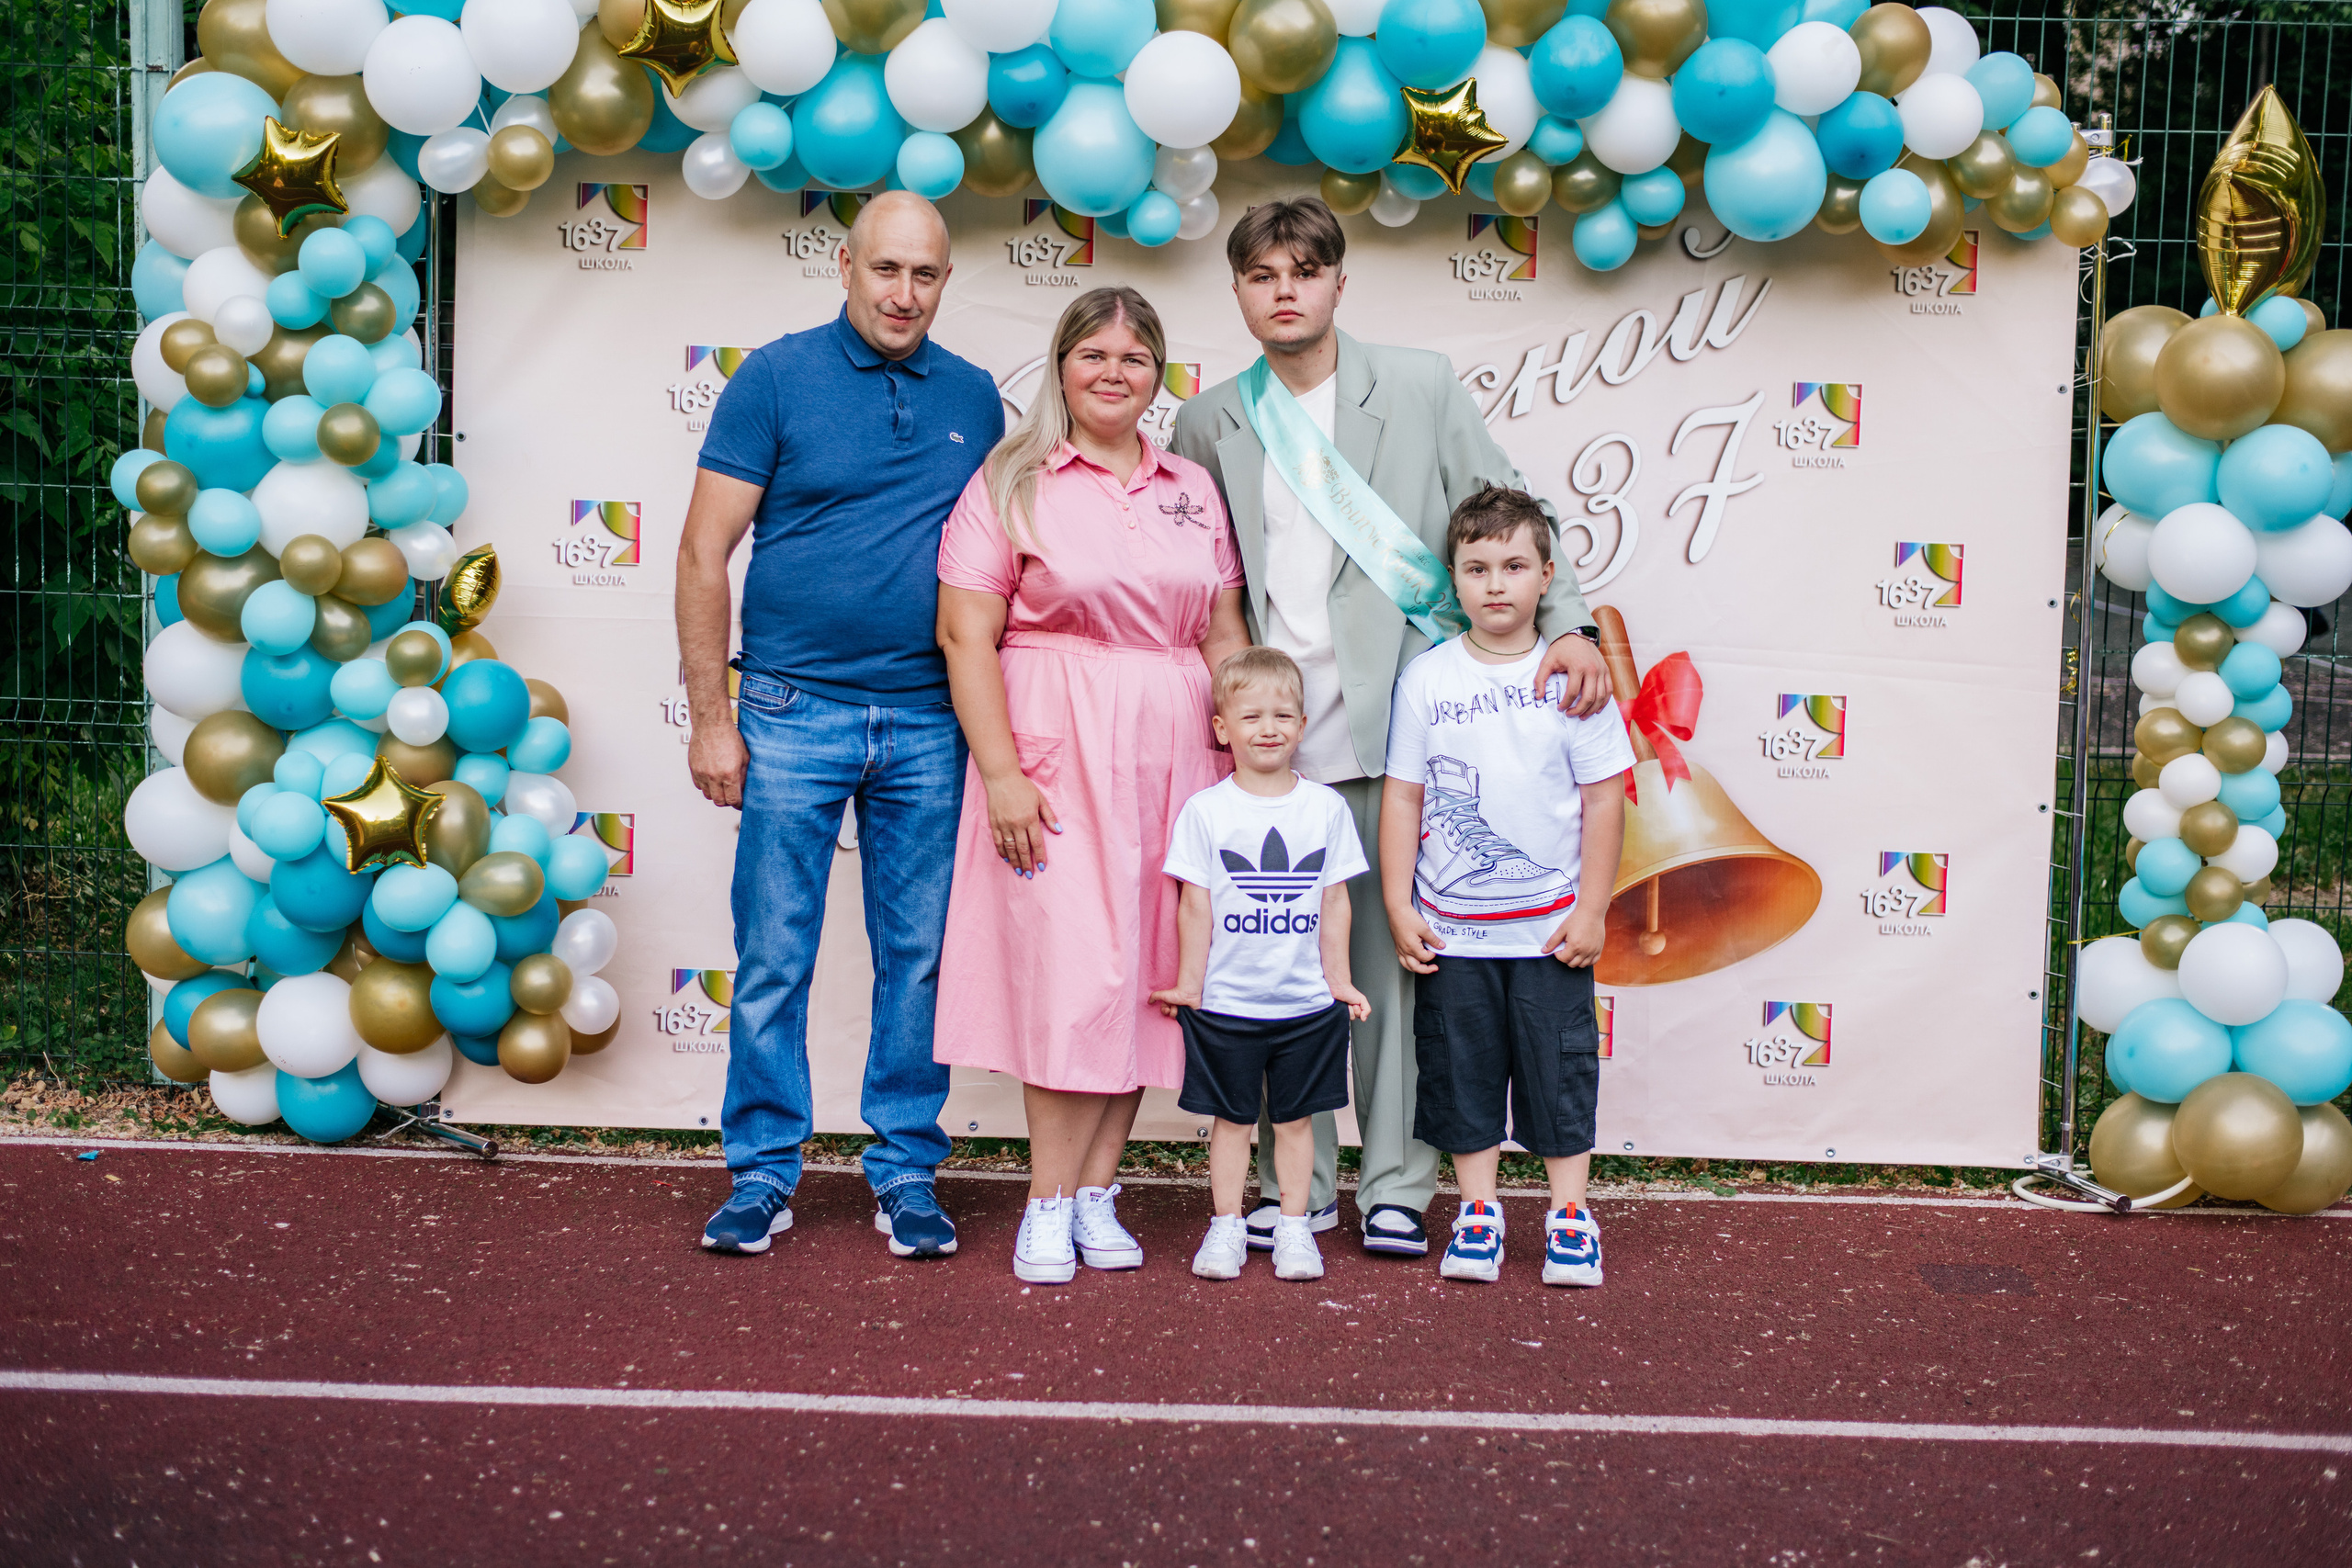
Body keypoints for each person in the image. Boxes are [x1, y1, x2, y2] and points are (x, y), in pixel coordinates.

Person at [1170, 197, 1612, 1259]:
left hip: (1397, 731)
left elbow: (1510, 509)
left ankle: (1398, 1184)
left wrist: (1573, 622)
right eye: (1261, 274)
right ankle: (1301, 1184)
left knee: (1393, 973)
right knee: (1280, 974)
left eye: (1304, 270)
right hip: (1272, 736)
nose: (1285, 290)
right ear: (1237, 292)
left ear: (1336, 282)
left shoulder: (1416, 384)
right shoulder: (1207, 419)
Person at [676, 192, 1005, 1258]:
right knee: (774, 953)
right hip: (789, 708)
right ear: (845, 265)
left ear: (944, 282)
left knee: (916, 959)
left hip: (927, 720)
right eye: (887, 270)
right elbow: (699, 556)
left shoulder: (973, 397)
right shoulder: (772, 378)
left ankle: (906, 1170)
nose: (904, 293)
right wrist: (711, 720)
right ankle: (764, 1173)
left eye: (926, 275)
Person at [935, 286, 1251, 1285]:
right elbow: (964, 634)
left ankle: (1097, 1195)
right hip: (1052, 742)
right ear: (1061, 364)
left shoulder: (1193, 488)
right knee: (1070, 977)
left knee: (1150, 976)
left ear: (1158, 374)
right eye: (1094, 354)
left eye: (1135, 356)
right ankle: (1044, 1202)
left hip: (1175, 749)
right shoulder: (1008, 481)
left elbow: (1224, 633)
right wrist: (1003, 774)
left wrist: (1243, 764)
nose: (1114, 372)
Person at [1382, 486, 1632, 1286]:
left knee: (1560, 1075)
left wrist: (1592, 908)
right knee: (1462, 1071)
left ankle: (1569, 1215)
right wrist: (1397, 902)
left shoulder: (1573, 677)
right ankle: (1478, 1212)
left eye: (1515, 565)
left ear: (1546, 576)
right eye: (1477, 567)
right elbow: (1404, 796)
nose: (1496, 583)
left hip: (1551, 930)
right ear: (1452, 580)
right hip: (1455, 933)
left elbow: (1603, 800)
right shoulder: (1426, 679)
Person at [1152, 646, 1372, 1283]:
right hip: (1227, 1006)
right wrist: (1191, 982)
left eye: (1282, 714)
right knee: (1232, 1122)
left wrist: (1339, 981)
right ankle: (1225, 1224)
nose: (1268, 727)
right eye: (1250, 716)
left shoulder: (1326, 809)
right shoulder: (1206, 811)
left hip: (1305, 1007)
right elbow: (1196, 906)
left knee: (1298, 1121)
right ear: (1222, 727)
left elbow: (1336, 904)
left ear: (1303, 725)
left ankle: (1295, 1227)